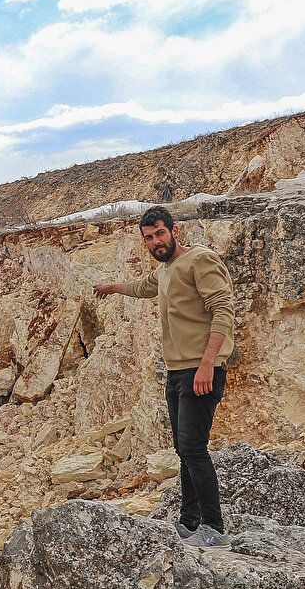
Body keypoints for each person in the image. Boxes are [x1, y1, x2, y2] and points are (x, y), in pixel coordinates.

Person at [94, 206, 236, 549]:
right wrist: (112, 287)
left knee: (193, 448)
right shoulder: (166, 269)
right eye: (148, 237)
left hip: (200, 370)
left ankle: (214, 530)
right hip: (176, 372)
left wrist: (208, 363)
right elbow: (143, 286)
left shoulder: (199, 260)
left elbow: (223, 309)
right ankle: (189, 523)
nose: (156, 241)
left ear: (173, 230)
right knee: (182, 449)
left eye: (160, 233)